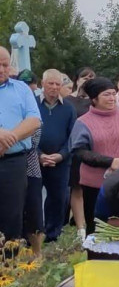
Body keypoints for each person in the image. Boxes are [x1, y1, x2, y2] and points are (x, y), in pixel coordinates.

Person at [69, 77, 119, 233]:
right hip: (94, 184)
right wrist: (110, 162)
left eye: (113, 93)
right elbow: (80, 151)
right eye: (106, 95)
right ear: (94, 99)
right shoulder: (83, 122)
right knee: (97, 228)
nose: (112, 98)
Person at [0, 46, 41, 244]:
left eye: (5, 65)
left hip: (13, 163)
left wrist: (11, 137)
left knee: (12, 215)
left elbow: (34, 120)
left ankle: (9, 267)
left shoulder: (21, 89)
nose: (1, 69)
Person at [38, 69, 76, 243]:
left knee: (58, 198)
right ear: (42, 84)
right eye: (50, 83)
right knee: (33, 197)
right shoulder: (33, 104)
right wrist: (39, 155)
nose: (54, 87)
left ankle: (53, 234)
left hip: (60, 161)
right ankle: (35, 232)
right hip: (35, 159)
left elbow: (72, 137)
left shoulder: (68, 108)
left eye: (57, 84)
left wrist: (61, 155)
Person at [66, 67, 95, 236]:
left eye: (92, 77)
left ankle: (93, 223)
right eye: (85, 77)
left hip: (93, 150)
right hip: (75, 149)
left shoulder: (95, 101)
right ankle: (80, 228)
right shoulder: (68, 101)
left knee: (91, 189)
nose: (88, 79)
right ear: (77, 80)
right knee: (77, 188)